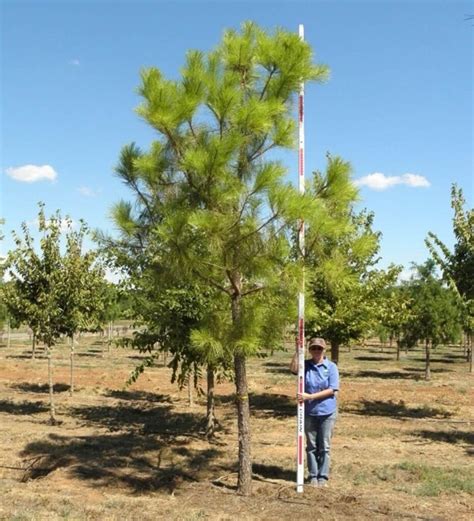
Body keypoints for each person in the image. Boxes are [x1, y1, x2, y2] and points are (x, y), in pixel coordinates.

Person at [290, 337, 339, 487]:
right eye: (314, 348)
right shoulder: (305, 366)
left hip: (327, 412)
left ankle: (322, 477)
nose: (317, 351)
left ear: (324, 350)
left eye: (319, 348)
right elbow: (293, 369)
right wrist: (298, 350)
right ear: (310, 350)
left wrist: (310, 396)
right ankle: (313, 475)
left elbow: (332, 390)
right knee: (311, 446)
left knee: (324, 446)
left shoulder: (331, 367)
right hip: (309, 412)